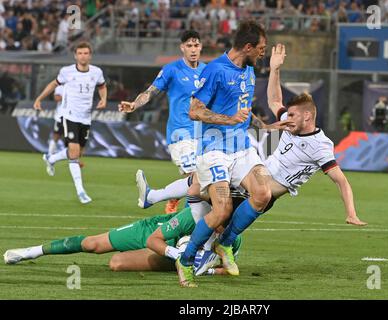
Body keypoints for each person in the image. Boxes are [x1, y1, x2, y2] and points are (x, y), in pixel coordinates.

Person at [140, 44, 367, 286]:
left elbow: (341, 180)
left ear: (307, 117)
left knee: (206, 199)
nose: (286, 119)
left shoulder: (321, 146)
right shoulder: (291, 125)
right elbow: (274, 99)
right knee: (200, 191)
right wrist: (274, 69)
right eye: (287, 115)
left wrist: (351, 213)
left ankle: (199, 252)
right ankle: (180, 227)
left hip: (260, 195)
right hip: (252, 178)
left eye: (291, 115)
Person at [175, 20, 274, 287]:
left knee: (264, 193)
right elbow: (194, 110)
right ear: (248, 47)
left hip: (241, 147)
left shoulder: (249, 70)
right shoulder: (216, 70)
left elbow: (241, 107)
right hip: (214, 149)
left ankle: (225, 244)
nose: (263, 53)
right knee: (222, 211)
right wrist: (228, 120)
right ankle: (185, 261)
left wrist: (263, 125)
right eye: (261, 48)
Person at [3, 206, 241, 277]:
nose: (221, 227)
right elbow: (153, 239)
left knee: (116, 263)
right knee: (92, 245)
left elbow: (226, 269)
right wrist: (177, 255)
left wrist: (205, 270)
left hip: (177, 259)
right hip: (159, 234)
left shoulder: (233, 238)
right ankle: (32, 251)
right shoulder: (193, 217)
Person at [119, 30, 206, 214]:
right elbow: (151, 91)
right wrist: (135, 104)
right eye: (189, 46)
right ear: (182, 47)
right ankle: (178, 219)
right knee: (197, 178)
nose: (193, 49)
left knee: (204, 182)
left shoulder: (207, 70)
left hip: (203, 134)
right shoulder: (171, 70)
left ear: (201, 47)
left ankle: (168, 198)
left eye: (196, 45)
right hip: (180, 133)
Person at [33, 42, 107, 204]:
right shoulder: (66, 72)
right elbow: (53, 84)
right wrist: (39, 99)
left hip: (86, 118)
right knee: (74, 153)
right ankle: (81, 191)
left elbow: (102, 86)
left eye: (86, 53)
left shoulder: (96, 72)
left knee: (78, 153)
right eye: (80, 53)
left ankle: (51, 158)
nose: (83, 56)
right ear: (75, 55)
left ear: (90, 55)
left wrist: (103, 99)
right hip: (70, 116)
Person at [47, 85, 64, 155]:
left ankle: (73, 159)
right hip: (61, 115)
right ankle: (50, 154)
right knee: (56, 135)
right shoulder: (60, 86)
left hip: (73, 116)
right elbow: (56, 98)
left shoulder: (76, 84)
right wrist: (69, 97)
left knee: (73, 138)